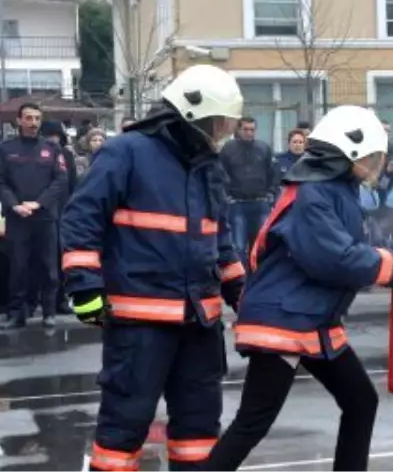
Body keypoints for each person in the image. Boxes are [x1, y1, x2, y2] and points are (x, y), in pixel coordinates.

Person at [203, 105, 393, 472]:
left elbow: (373, 245)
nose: (377, 165)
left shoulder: (337, 191)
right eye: (373, 157)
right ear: (350, 153)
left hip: (309, 318)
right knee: (252, 423)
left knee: (360, 402)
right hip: (285, 320)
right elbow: (338, 259)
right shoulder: (314, 194)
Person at [60, 65, 246, 471]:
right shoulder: (126, 152)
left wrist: (246, 298)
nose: (223, 134)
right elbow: (81, 220)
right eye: (218, 124)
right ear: (192, 116)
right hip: (139, 323)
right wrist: (85, 289)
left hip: (199, 322)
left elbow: (221, 242)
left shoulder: (208, 166)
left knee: (198, 431)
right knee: (123, 427)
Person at [0, 104, 68, 329]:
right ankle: (16, 312)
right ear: (18, 121)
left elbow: (60, 180)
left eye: (37, 118)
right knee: (18, 267)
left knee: (49, 267)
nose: (33, 122)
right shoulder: (6, 149)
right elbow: (2, 182)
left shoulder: (51, 148)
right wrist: (14, 205)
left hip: (45, 217)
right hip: (18, 217)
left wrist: (39, 203)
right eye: (28, 118)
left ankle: (48, 312)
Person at [219, 117, 276, 263]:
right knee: (238, 247)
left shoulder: (264, 148)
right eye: (246, 129)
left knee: (260, 246)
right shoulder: (228, 149)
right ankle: (241, 282)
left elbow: (273, 173)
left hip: (261, 203)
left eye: (252, 129)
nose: (249, 133)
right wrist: (227, 196)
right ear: (238, 130)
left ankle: (259, 281)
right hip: (237, 204)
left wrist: (271, 194)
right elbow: (221, 173)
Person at [37, 120, 79, 317]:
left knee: (61, 259)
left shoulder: (66, 155)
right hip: (38, 212)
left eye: (55, 136)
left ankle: (60, 299)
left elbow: (72, 183)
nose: (52, 140)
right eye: (48, 136)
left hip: (62, 212)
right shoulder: (36, 153)